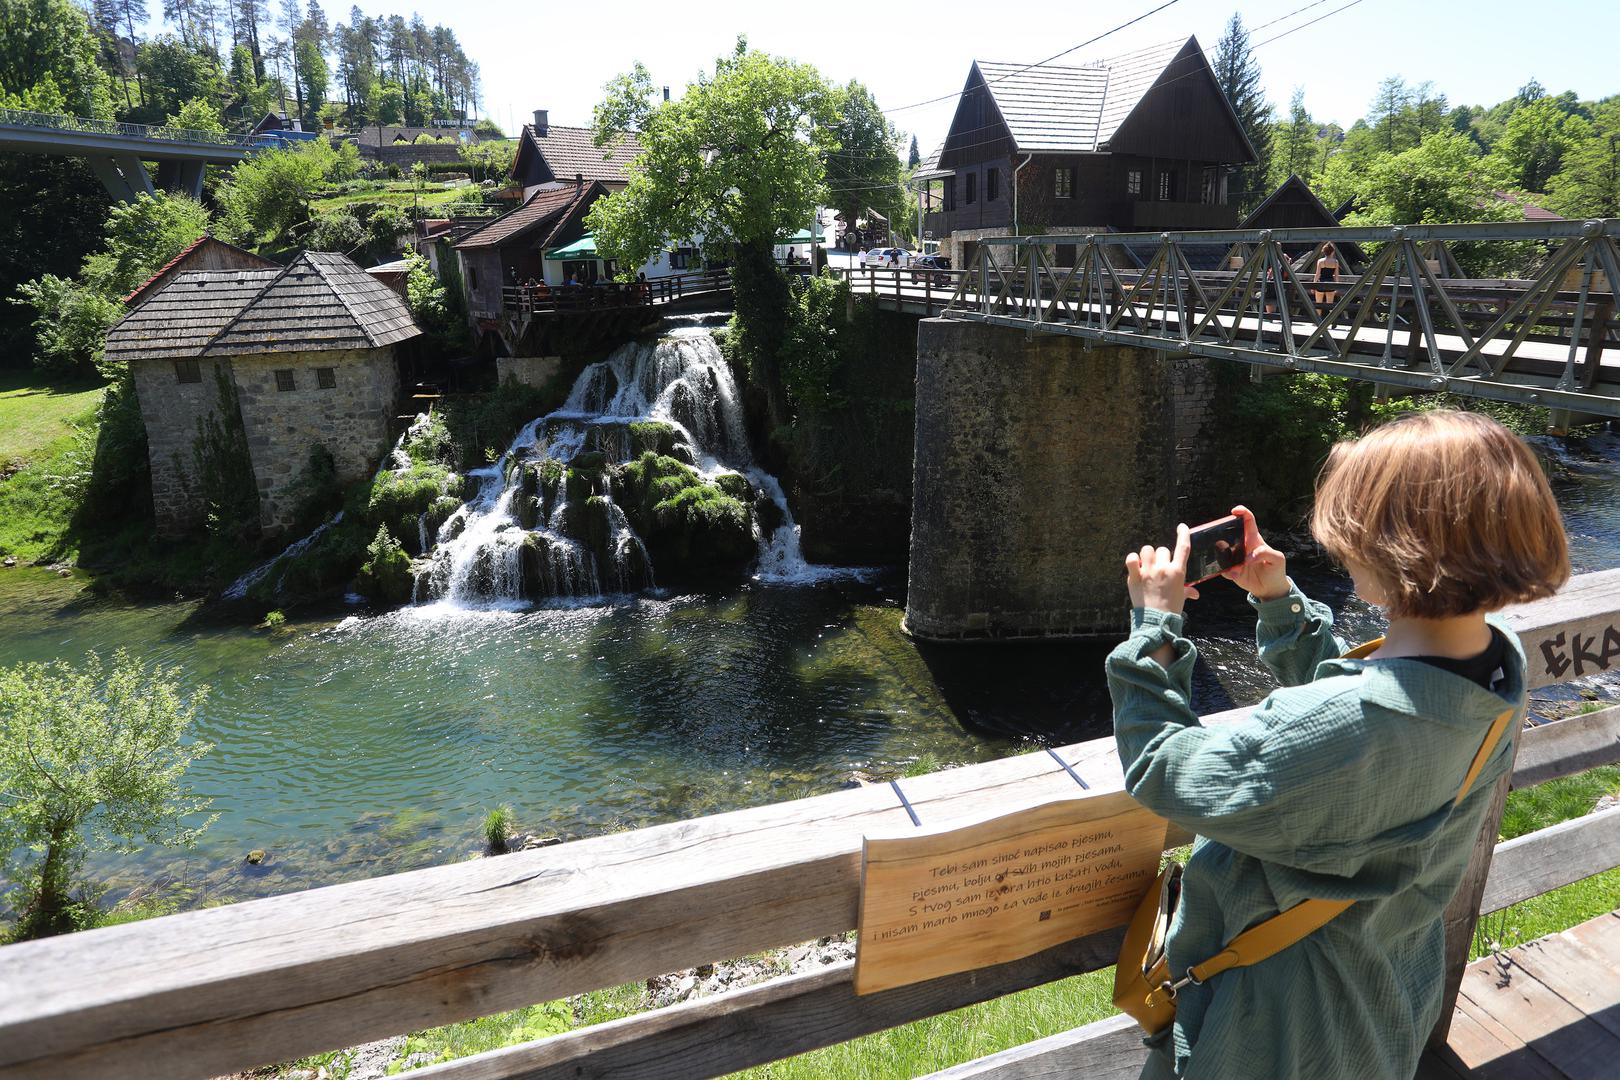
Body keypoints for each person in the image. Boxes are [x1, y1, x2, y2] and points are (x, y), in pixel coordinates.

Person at [1107, 410, 1570, 1080]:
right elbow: (1375, 707)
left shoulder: (1334, 726)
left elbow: (1163, 769)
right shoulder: (1498, 669)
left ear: (1390, 547)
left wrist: (1155, 629)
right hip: (1382, 996)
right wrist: (1279, 603)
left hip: (1272, 1028)